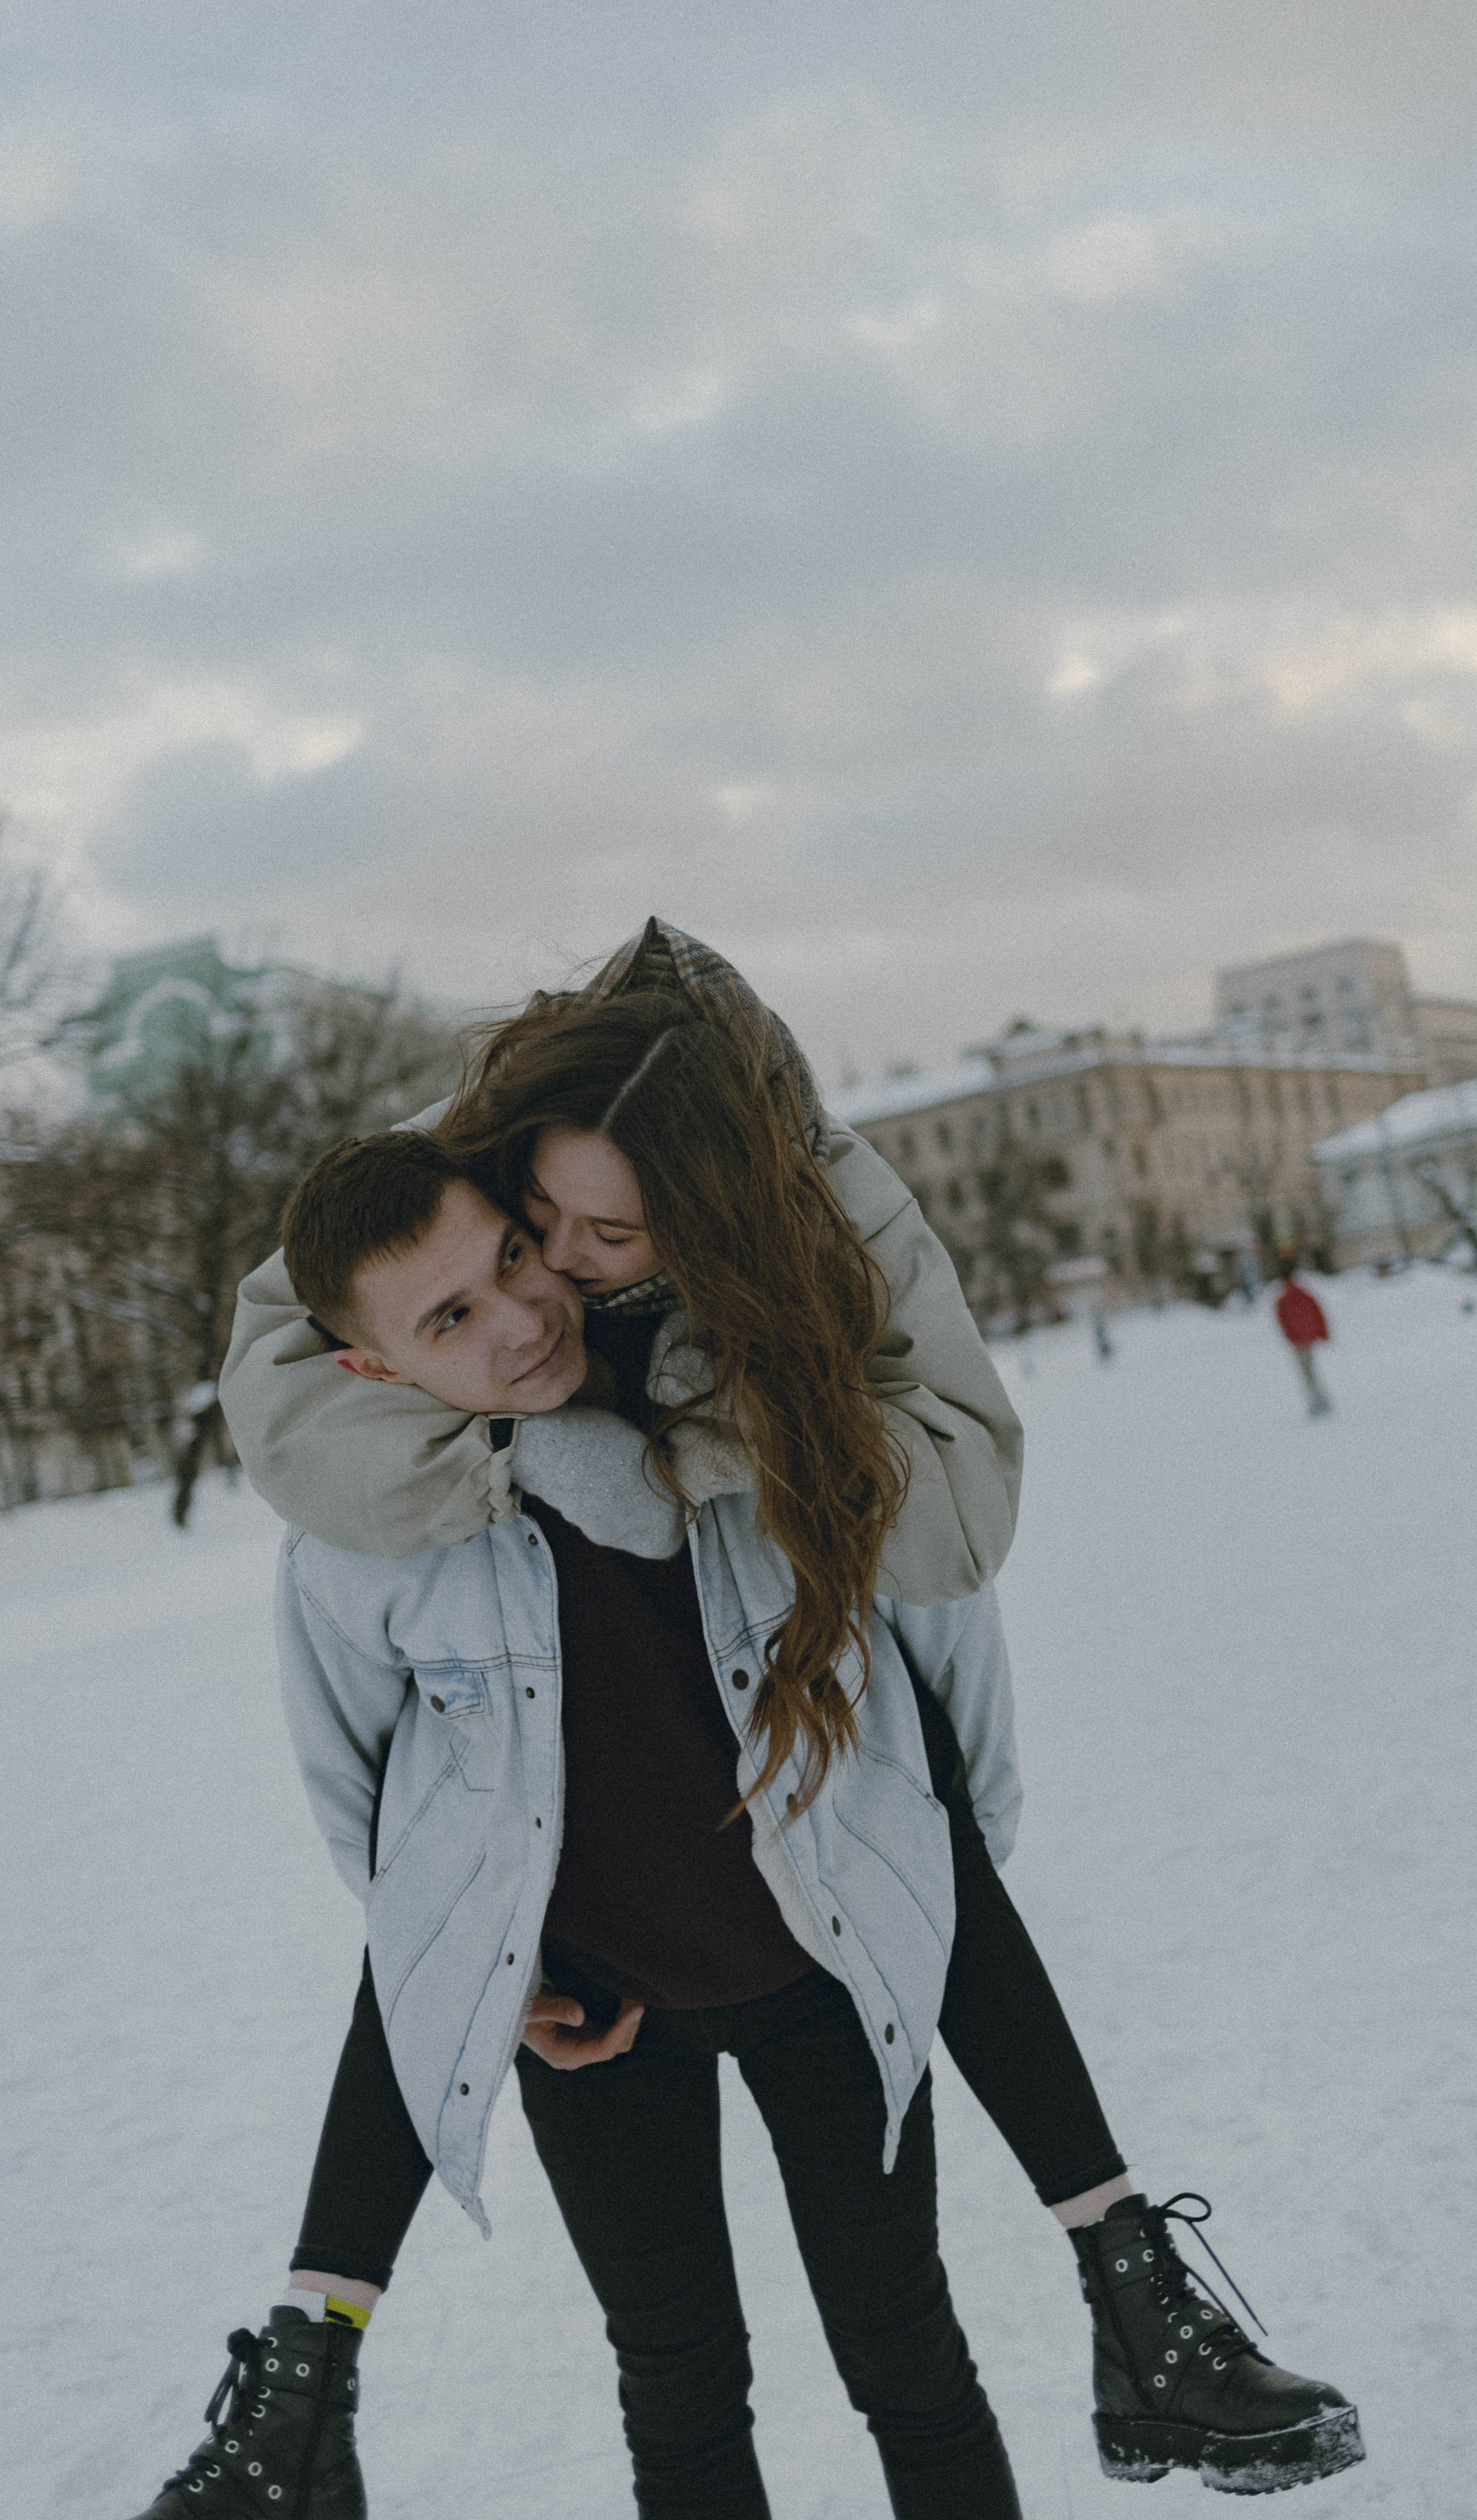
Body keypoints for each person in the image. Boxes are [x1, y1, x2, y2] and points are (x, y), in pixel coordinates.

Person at [138, 923, 1360, 2511]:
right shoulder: (374, 1522)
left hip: (812, 1959)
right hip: (592, 2011)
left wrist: (921, 1891)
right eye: (503, 1261)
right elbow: (368, 1789)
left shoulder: (767, 1381)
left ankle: (1131, 2289)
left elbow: (941, 1663)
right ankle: (304, 2383)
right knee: (678, 2386)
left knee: (903, 2353)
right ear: (378, 1355)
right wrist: (482, 1974)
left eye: (558, 1246)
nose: (538, 1289)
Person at [1274, 1261, 1333, 1417]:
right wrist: (1323, 1333)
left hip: (1299, 1342)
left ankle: (1318, 1402)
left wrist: (1292, 1338)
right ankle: (1320, 1401)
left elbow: (1283, 1323)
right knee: (1310, 1371)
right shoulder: (1304, 1295)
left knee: (1307, 1373)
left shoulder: (1283, 1300)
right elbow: (1318, 1314)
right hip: (1308, 1338)